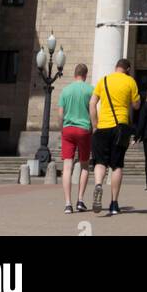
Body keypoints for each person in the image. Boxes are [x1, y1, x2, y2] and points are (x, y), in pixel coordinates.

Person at [89, 57, 141, 217]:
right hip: (121, 128)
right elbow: (136, 105)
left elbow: (92, 103)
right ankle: (113, 203)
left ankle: (98, 184)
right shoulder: (130, 82)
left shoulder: (103, 80)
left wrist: (95, 124)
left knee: (100, 162)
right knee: (117, 165)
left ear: (116, 67)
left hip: (103, 126)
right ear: (128, 69)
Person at [58, 62, 94, 214]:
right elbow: (93, 111)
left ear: (74, 74)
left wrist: (62, 129)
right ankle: (80, 200)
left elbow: (60, 114)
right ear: (85, 75)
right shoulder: (90, 90)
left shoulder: (65, 91)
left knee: (67, 167)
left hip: (68, 129)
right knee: (84, 166)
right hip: (84, 129)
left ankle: (68, 204)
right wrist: (94, 127)